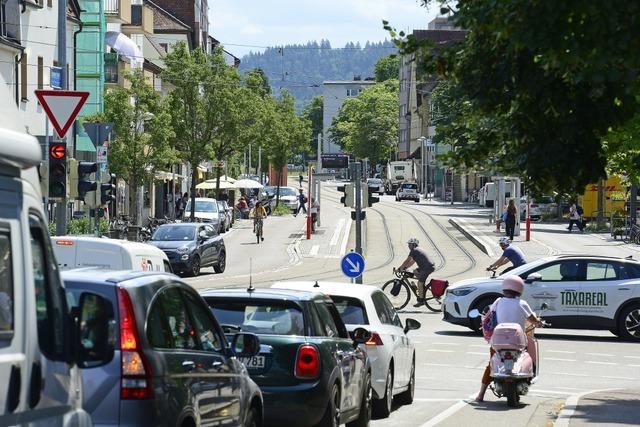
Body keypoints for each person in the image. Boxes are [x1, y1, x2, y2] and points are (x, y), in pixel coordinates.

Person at [476, 275, 541, 402]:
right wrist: (538, 321)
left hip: (498, 341)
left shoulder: (498, 301)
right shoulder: (522, 303)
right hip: (518, 342)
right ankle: (528, 376)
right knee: (527, 356)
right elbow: (532, 319)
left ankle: (481, 394)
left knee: (491, 366)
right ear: (520, 289)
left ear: (505, 288)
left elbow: (489, 315)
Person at [397, 238, 436, 307]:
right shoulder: (417, 250)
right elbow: (411, 262)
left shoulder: (414, 250)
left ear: (414, 245)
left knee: (420, 283)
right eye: (408, 244)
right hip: (426, 267)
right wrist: (405, 268)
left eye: (410, 244)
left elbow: (407, 261)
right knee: (415, 271)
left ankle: (421, 301)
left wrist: (400, 268)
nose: (408, 246)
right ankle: (421, 289)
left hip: (427, 268)